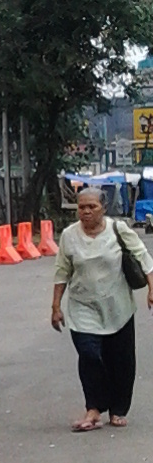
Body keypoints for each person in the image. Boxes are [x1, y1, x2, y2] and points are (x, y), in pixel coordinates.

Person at [50, 183, 153, 429]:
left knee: (121, 360)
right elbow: (62, 271)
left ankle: (117, 409)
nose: (85, 212)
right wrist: (56, 306)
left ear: (103, 208)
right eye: (81, 207)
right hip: (82, 306)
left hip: (118, 306)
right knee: (88, 355)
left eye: (91, 207)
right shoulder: (69, 235)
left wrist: (152, 288)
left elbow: (143, 257)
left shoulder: (118, 230)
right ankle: (94, 408)